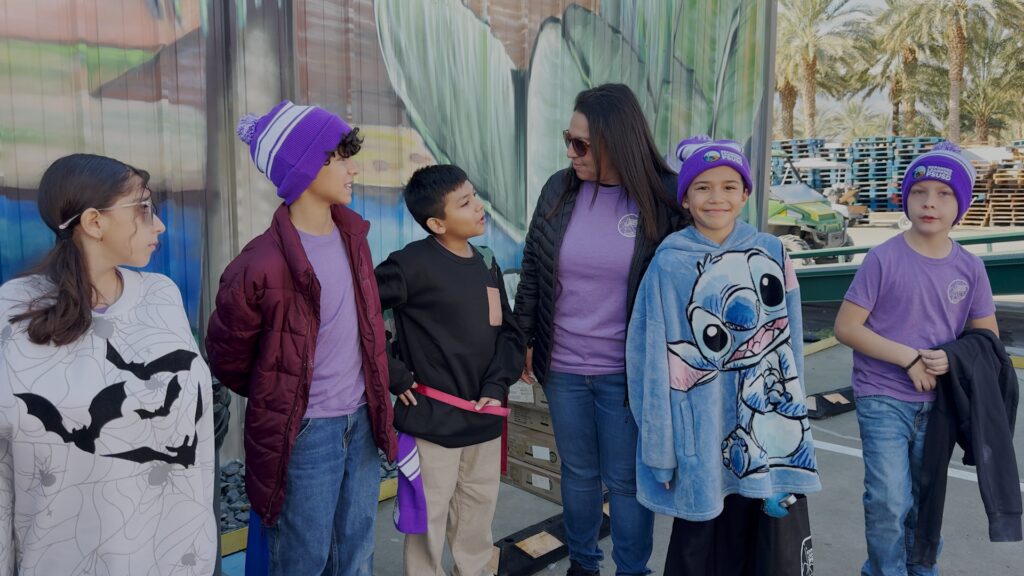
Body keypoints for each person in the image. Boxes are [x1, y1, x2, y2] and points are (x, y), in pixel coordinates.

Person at [0, 153, 216, 575]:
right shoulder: (14, 310)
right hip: (63, 555)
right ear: (95, 222)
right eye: (143, 209)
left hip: (173, 553)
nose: (160, 224)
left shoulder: (161, 295)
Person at [205, 101, 395, 576]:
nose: (353, 168)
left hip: (362, 421)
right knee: (304, 560)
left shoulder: (355, 237)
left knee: (357, 554)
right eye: (339, 157)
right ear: (305, 167)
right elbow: (228, 359)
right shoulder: (258, 264)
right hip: (307, 432)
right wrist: (284, 391)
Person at [628, 136, 820, 575]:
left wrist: (793, 420)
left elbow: (790, 344)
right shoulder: (668, 263)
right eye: (703, 187)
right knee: (699, 545)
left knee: (762, 546)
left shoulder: (772, 252)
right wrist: (659, 449)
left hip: (766, 434)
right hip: (699, 438)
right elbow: (649, 363)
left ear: (746, 194)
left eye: (730, 186)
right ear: (686, 198)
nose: (717, 197)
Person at [514, 83, 685, 576]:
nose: (571, 152)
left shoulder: (665, 199)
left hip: (628, 375)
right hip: (563, 367)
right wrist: (525, 336)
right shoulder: (558, 189)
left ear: (618, 141)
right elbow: (533, 270)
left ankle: (632, 570)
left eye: (582, 144)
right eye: (568, 139)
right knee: (580, 474)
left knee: (628, 481)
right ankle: (583, 566)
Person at [834, 141, 998, 576]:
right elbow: (846, 328)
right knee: (888, 498)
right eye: (920, 191)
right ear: (905, 198)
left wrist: (950, 359)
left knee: (925, 501)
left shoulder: (970, 269)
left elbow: (987, 338)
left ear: (961, 204)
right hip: (882, 397)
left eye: (945, 194)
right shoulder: (882, 259)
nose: (931, 203)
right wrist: (909, 359)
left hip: (940, 403)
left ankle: (921, 568)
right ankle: (884, 571)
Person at [376, 164, 525, 576]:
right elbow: (358, 314)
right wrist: (394, 372)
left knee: (478, 513)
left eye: (474, 196)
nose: (479, 207)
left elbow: (510, 334)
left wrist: (497, 384)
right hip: (432, 423)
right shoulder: (408, 266)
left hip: (482, 421)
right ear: (437, 222)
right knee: (428, 518)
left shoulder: (487, 263)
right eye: (465, 203)